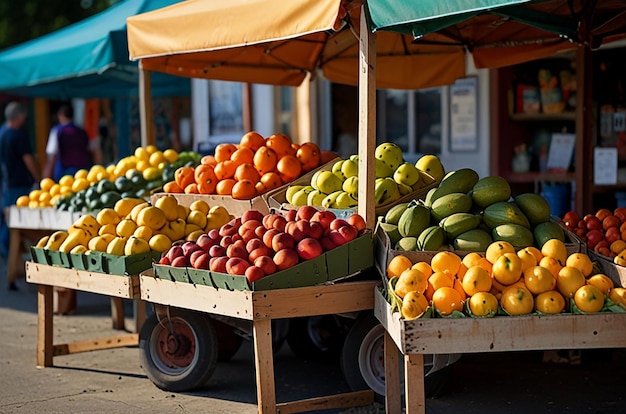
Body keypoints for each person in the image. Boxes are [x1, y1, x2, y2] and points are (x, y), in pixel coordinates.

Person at [0, 102, 41, 290]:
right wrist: (39, 178)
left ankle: (10, 260)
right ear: (18, 117)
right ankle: (10, 258)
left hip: (7, 184)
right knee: (16, 227)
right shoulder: (18, 135)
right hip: (20, 187)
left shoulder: (2, 132)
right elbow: (28, 159)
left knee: (8, 222)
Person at [43, 104, 94, 182]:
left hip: (64, 171)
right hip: (83, 171)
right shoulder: (82, 132)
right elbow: (91, 150)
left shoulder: (57, 131)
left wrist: (46, 176)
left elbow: (52, 154)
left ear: (61, 115)